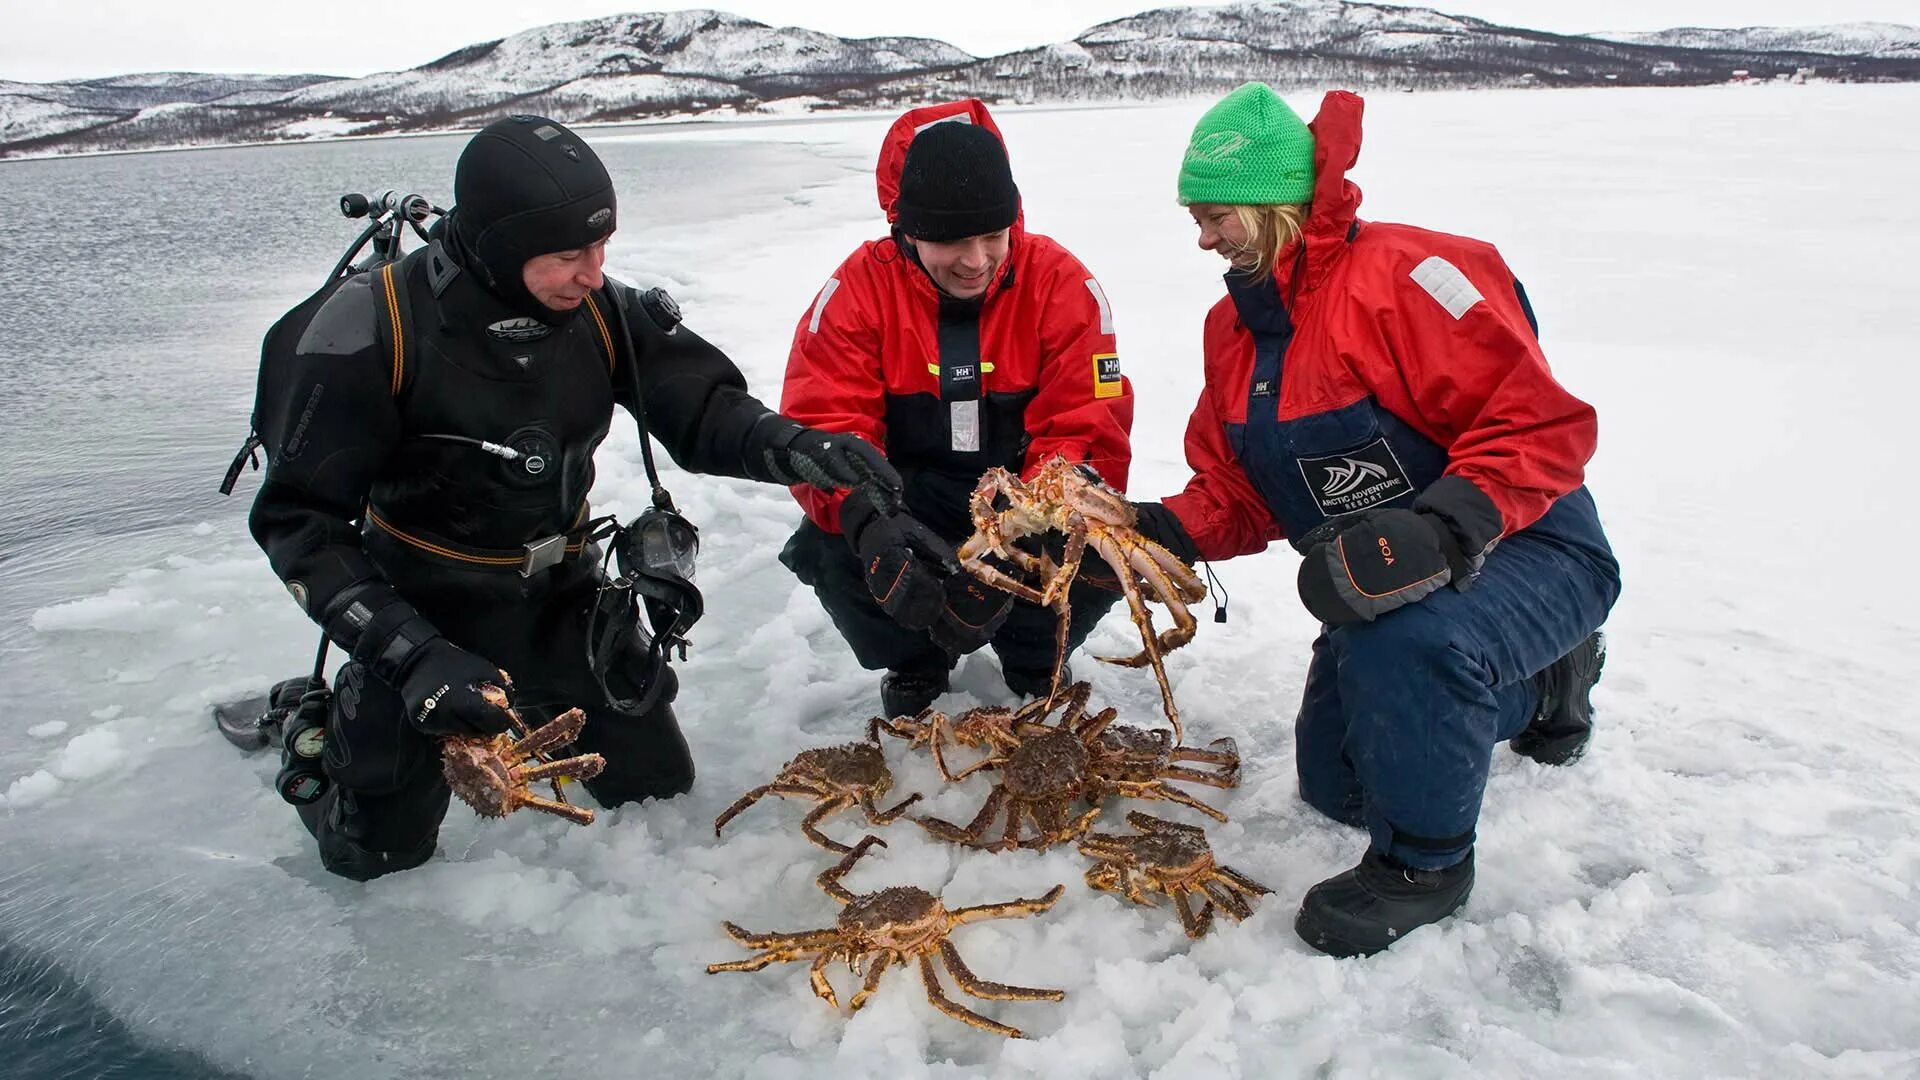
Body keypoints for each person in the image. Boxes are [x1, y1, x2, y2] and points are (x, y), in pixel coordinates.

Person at [249, 115, 899, 881]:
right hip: (416, 607)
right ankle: (309, 728)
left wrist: (792, 445)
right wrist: (411, 655)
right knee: (375, 858)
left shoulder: (600, 311)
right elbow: (300, 525)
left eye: (601, 248)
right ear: (497, 245)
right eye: (568, 256)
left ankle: (522, 700)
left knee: (658, 789)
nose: (594, 273)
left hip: (556, 597)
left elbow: (697, 407)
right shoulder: (367, 335)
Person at [1125, 84, 1621, 957]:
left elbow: (1542, 424)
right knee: (1340, 784)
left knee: (1414, 647)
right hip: (1378, 581)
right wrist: (1149, 531)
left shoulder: (1406, 278)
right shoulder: (1234, 331)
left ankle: (1426, 868)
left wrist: (1441, 527)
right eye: (1194, 217)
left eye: (1216, 215)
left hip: (1527, 544)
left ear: (1275, 202)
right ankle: (1538, 686)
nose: (1203, 238)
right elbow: (1244, 491)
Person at [776, 100, 1135, 718]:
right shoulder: (857, 292)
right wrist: (868, 518)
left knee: (1101, 536)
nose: (975, 261)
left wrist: (1048, 499)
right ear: (908, 230)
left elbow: (1090, 420)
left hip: (1023, 497)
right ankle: (914, 660)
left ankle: (1034, 655)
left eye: (992, 236)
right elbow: (824, 426)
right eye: (950, 241)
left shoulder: (1061, 285)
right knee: (830, 543)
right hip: (911, 497)